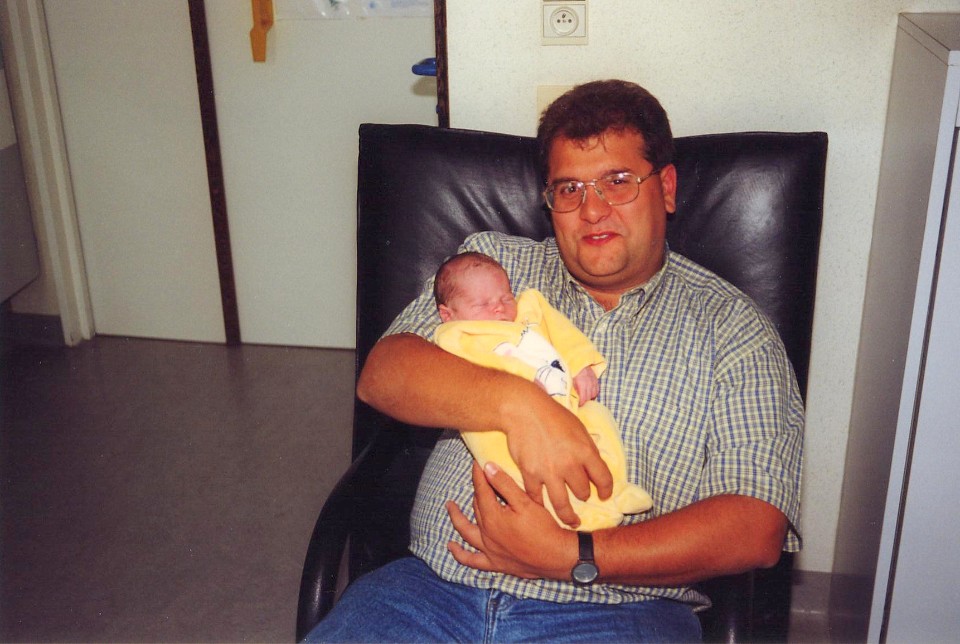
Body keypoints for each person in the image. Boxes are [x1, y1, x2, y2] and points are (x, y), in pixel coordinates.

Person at [306, 79, 803, 643]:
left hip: (616, 611)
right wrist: (520, 406)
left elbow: (755, 526)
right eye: (569, 189)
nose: (592, 210)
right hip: (430, 590)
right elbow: (384, 374)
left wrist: (573, 554)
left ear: (665, 187)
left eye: (617, 182)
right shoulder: (494, 268)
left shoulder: (734, 329)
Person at [432, 251, 653, 531]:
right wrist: (521, 388)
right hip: (499, 425)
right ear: (448, 315)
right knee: (512, 467)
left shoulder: (530, 311)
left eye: (506, 298)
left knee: (599, 418)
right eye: (482, 304)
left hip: (566, 405)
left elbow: (565, 335)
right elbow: (468, 372)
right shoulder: (456, 336)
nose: (499, 309)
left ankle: (615, 488)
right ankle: (577, 518)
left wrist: (581, 365)